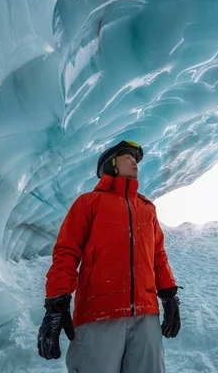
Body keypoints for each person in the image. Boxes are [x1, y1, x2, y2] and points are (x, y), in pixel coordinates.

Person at [37, 140, 181, 372]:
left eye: (135, 158)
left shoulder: (147, 208)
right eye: (127, 156)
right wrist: (56, 303)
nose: (134, 162)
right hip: (99, 312)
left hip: (145, 314)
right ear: (110, 164)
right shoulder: (88, 203)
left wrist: (169, 296)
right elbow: (67, 252)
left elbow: (158, 256)